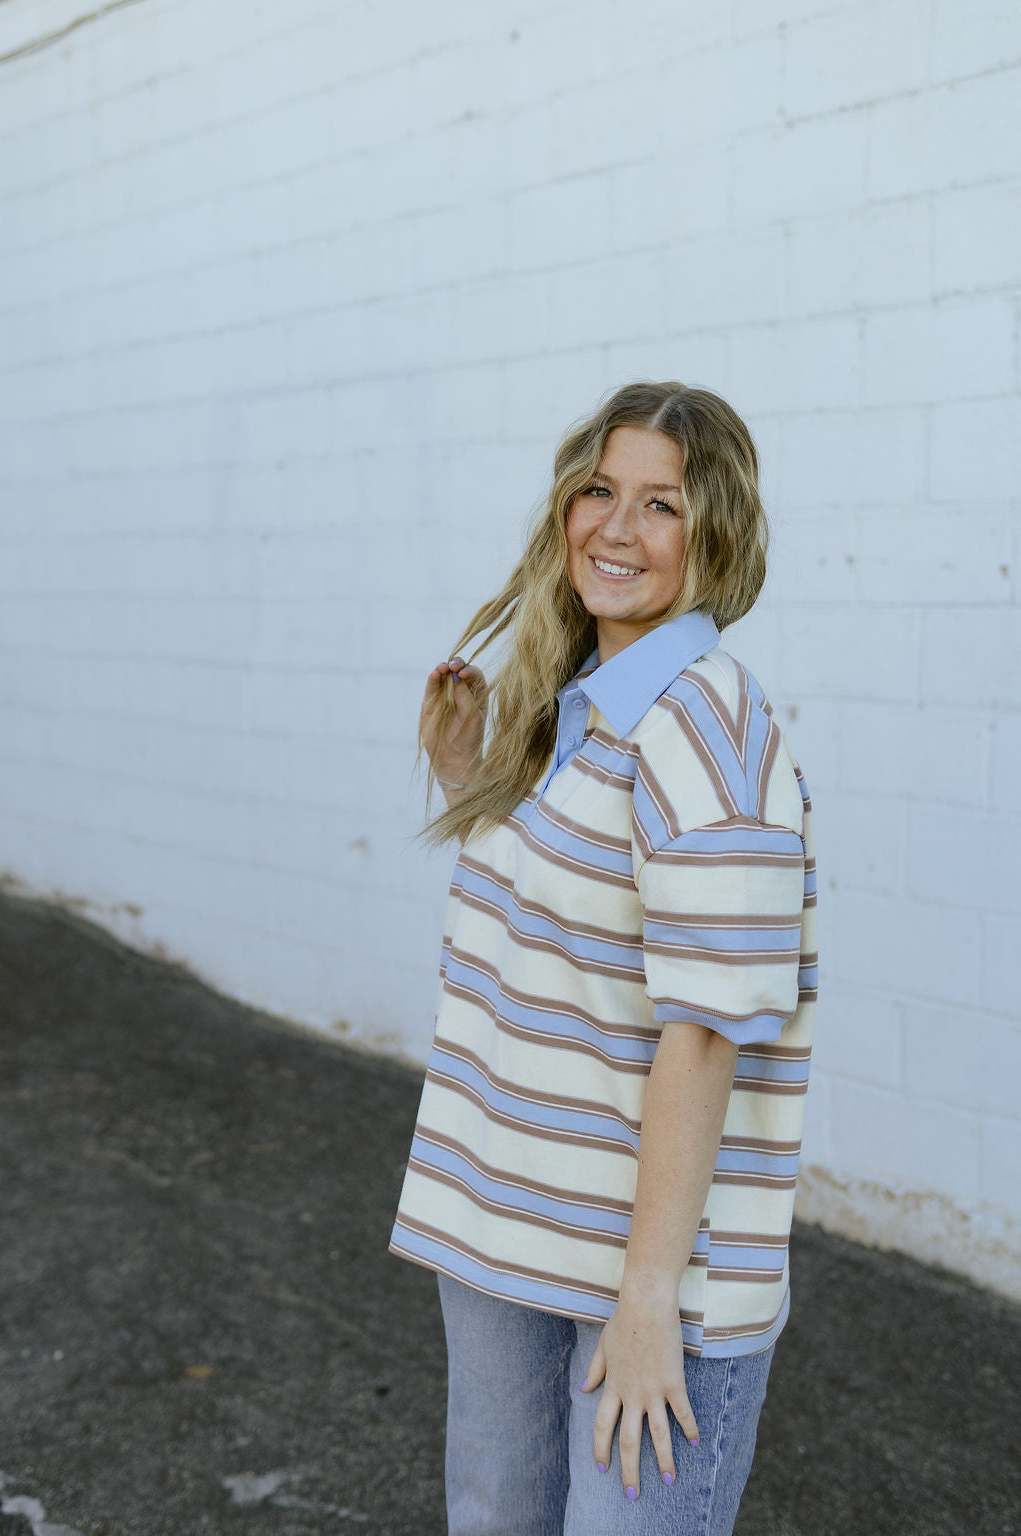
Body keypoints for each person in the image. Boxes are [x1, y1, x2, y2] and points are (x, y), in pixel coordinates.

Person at [390, 381, 817, 1535]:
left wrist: (646, 1303)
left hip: (642, 1278)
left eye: (661, 506)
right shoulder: (580, 704)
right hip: (505, 1229)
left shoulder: (706, 727)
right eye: (598, 492)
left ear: (714, 533)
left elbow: (707, 1030)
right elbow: (554, 936)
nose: (616, 530)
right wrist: (471, 776)